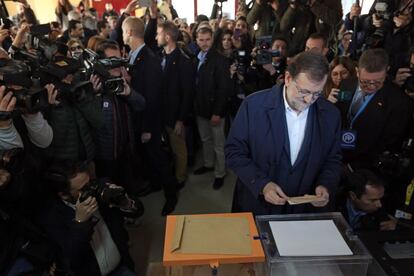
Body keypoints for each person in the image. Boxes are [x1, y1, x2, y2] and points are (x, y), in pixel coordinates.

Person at [225, 51, 342, 215]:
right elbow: (234, 152)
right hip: (258, 206)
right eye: (304, 92)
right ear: (288, 79)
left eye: (317, 93)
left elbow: (333, 159)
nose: (309, 100)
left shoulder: (330, 115)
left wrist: (325, 184)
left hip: (304, 210)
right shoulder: (253, 107)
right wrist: (262, 185)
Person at [122, 15, 178, 215]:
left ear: (129, 32)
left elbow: (153, 98)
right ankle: (155, 184)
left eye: (122, 31)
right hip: (139, 118)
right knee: (150, 158)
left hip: (150, 122)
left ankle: (172, 195)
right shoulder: (133, 55)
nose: (122, 35)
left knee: (160, 159)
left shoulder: (149, 59)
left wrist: (147, 128)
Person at [37, 162, 136, 275]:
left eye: (90, 182)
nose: (91, 189)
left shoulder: (101, 189)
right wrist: (80, 223)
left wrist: (124, 202)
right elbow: (72, 259)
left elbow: (137, 211)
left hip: (121, 268)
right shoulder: (52, 217)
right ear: (64, 195)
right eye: (84, 188)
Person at [330, 48, 414, 170]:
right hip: (336, 154)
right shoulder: (346, 84)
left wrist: (351, 167)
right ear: (357, 71)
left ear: (387, 71)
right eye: (365, 82)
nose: (371, 86)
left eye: (378, 82)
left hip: (364, 169)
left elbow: (387, 146)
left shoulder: (400, 103)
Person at [156, 21, 195, 188]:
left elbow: (188, 94)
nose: (155, 37)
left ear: (167, 36)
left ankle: (180, 178)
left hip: (175, 115)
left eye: (158, 33)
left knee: (179, 149)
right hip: (162, 113)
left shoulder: (183, 62)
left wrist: (180, 119)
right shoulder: (159, 56)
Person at [193, 27, 232, 190]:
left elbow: (224, 89)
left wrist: (217, 113)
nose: (204, 43)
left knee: (219, 144)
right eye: (201, 40)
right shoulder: (196, 57)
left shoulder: (220, 60)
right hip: (201, 109)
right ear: (196, 40)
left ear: (212, 39)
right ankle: (209, 164)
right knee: (205, 140)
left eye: (207, 39)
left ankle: (220, 173)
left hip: (215, 111)